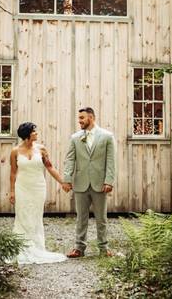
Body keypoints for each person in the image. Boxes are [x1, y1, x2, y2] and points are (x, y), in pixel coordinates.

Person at [9, 122, 67, 264]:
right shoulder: (15, 151)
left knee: (35, 215)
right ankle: (21, 246)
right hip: (22, 187)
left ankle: (37, 246)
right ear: (27, 134)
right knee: (22, 215)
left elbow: (50, 167)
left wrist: (63, 182)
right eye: (34, 131)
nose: (36, 133)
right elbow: (13, 172)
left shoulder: (41, 150)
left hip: (38, 187)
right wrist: (11, 191)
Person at [62, 107, 116, 258]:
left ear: (91, 118)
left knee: (101, 218)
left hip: (100, 183)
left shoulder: (107, 136)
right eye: (79, 118)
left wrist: (109, 181)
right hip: (80, 183)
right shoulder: (75, 137)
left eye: (82, 118)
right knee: (81, 218)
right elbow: (70, 159)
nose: (79, 121)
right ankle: (79, 248)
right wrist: (67, 179)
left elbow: (111, 161)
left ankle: (104, 248)